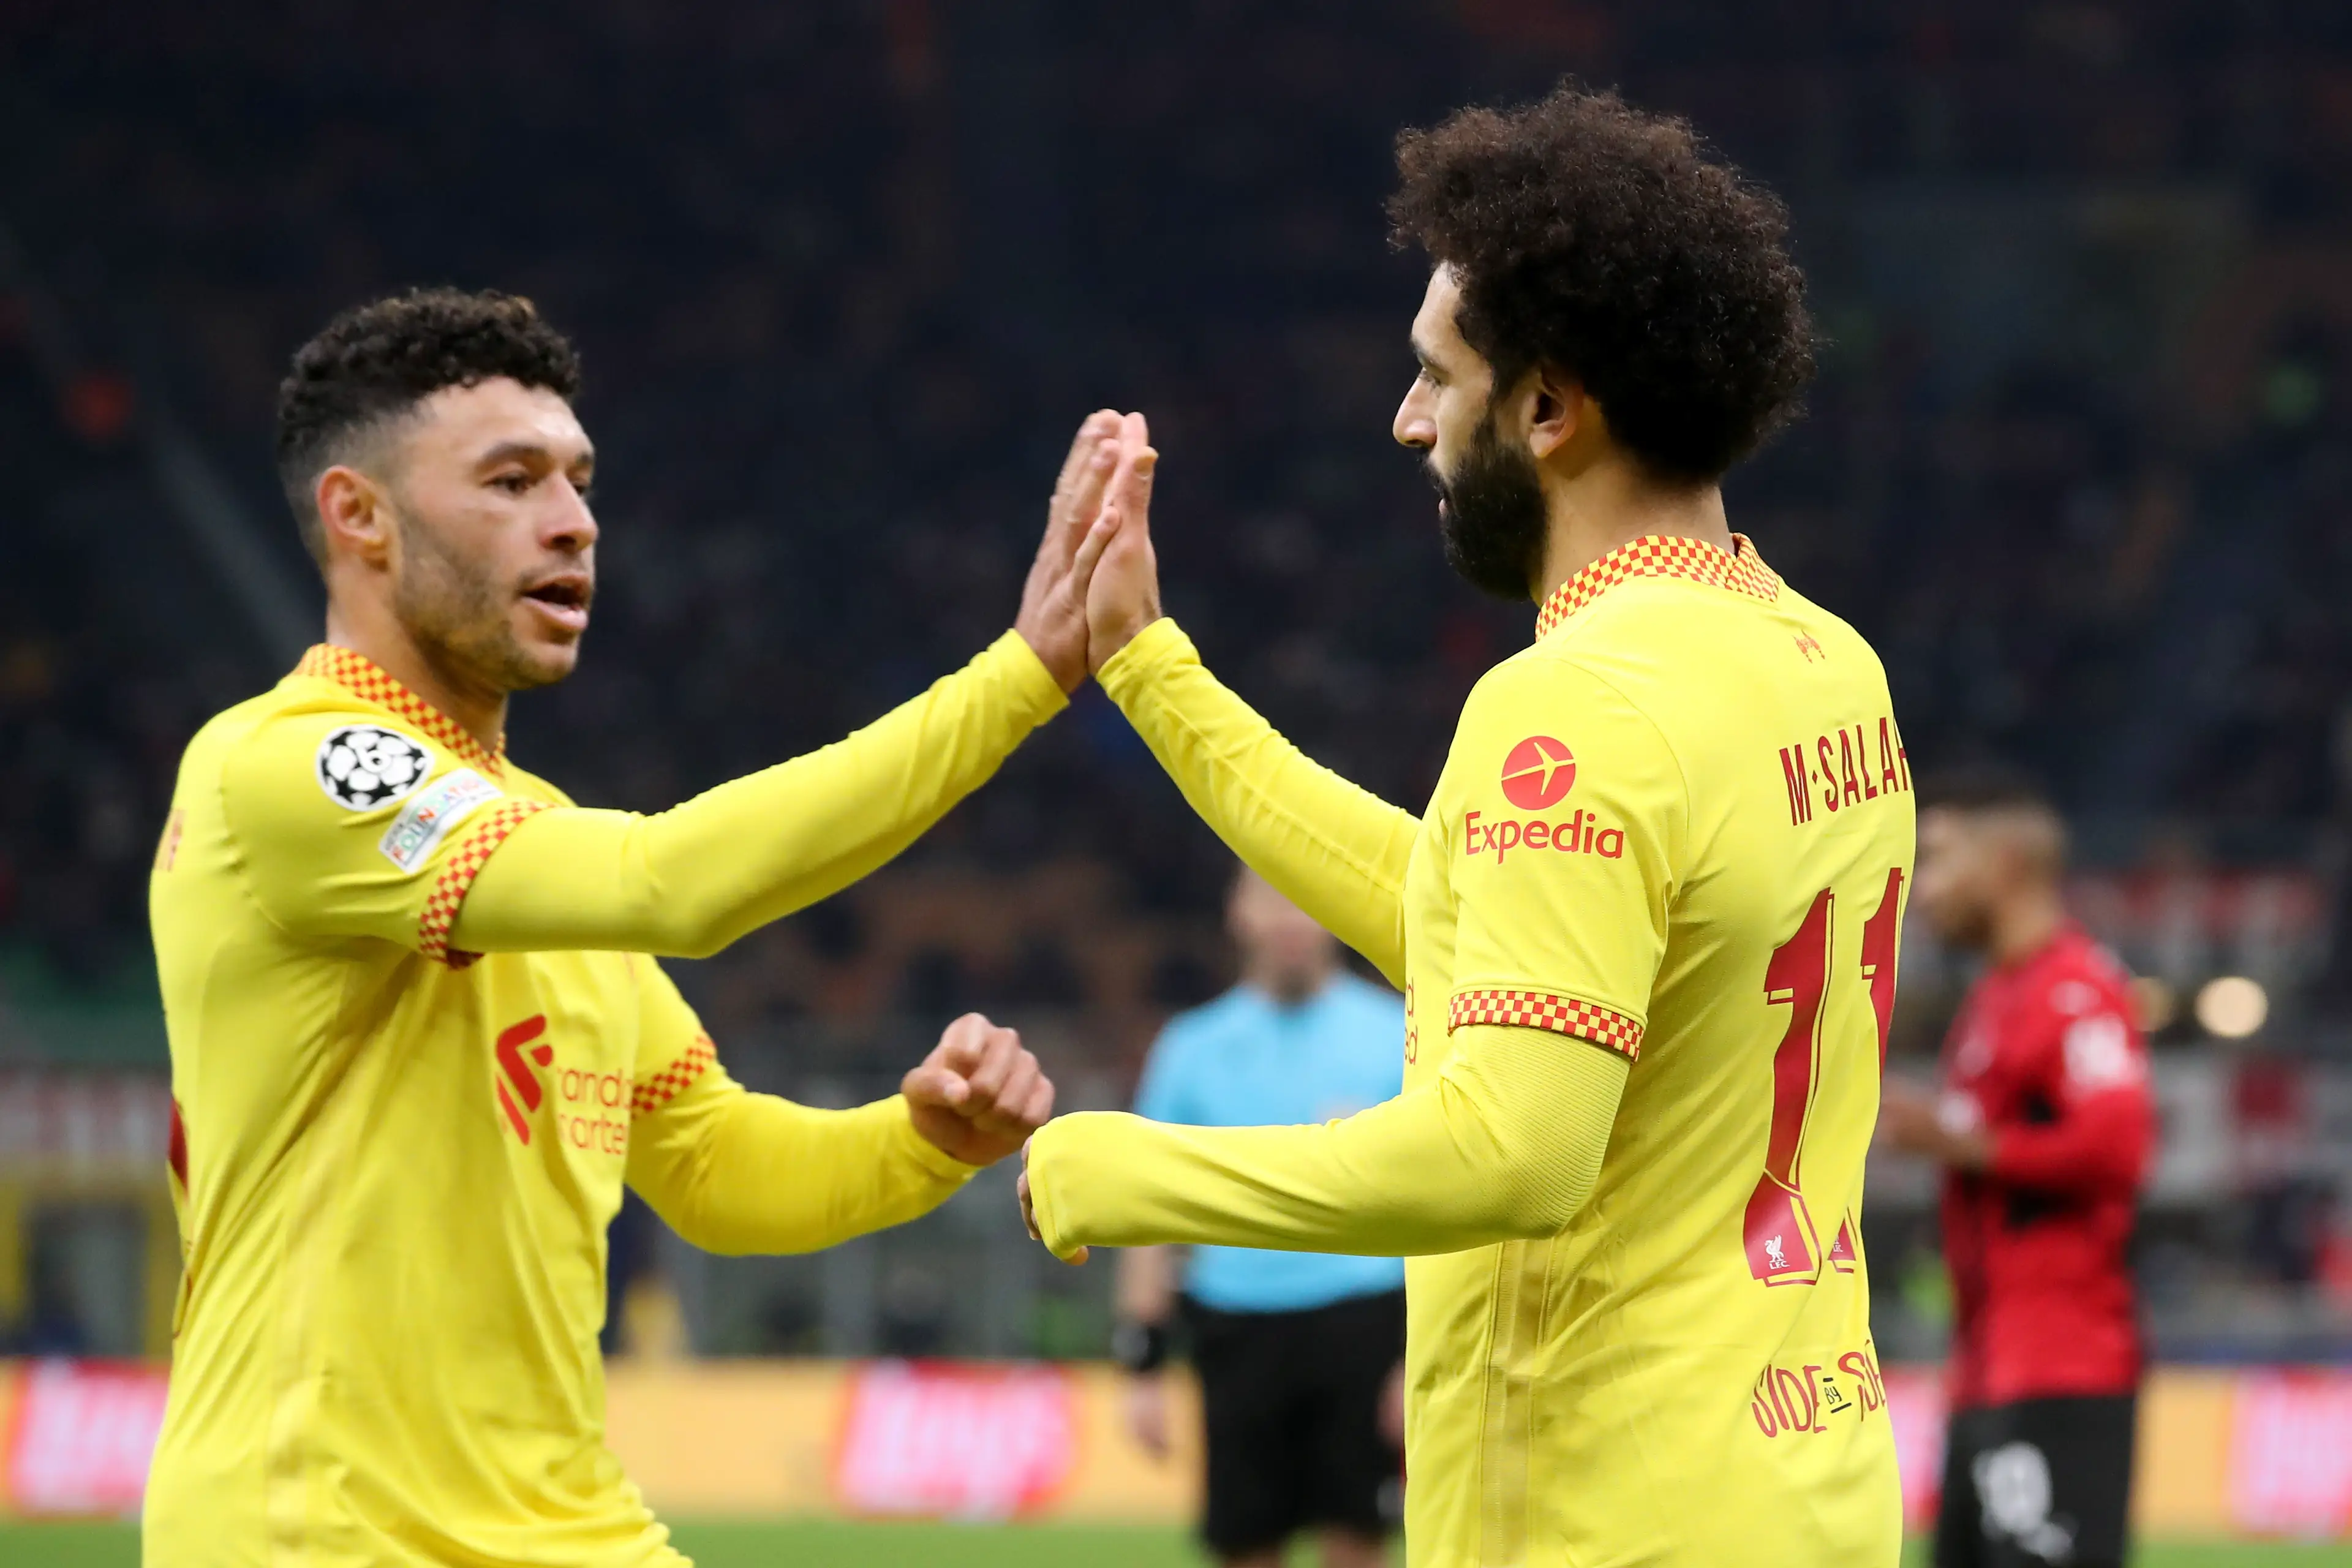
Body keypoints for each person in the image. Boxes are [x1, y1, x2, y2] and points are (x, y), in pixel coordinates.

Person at [1022, 82, 1913, 1566]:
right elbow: (1458, 914)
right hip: (1805, 1484)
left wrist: (1126, 1172)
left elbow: (1506, 1149)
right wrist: (1147, 668)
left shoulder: (1570, 702)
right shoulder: (1823, 659)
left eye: (1439, 375)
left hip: (1600, 1511)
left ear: (1549, 407)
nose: (1408, 420)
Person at [145, 288, 1125, 1566]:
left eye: (579, 480)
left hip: (574, 1529)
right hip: (325, 1530)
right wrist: (1020, 680)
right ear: (359, 517)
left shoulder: (538, 841)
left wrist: (920, 1140)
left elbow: (710, 1164)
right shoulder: (282, 768)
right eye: (510, 481)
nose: (574, 522)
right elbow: (675, 885)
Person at [1878, 775, 2154, 1568]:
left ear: (2003, 862)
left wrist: (1963, 1145)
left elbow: (2117, 1150)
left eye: (1936, 860)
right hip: (1985, 1372)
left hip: (2062, 1369)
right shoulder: (1997, 997)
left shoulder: (2077, 992)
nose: (1922, 890)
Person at [1118, 869, 1406, 1568]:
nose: (1290, 921)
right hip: (1236, 1322)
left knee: (1356, 1539)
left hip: (1363, 1319)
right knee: (1246, 1544)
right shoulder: (1190, 1048)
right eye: (1272, 900)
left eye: (1306, 900)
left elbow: (1443, 1200)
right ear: (1237, 913)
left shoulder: (1398, 1033)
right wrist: (1144, 1364)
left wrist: (1422, 1354)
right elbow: (1152, 1214)